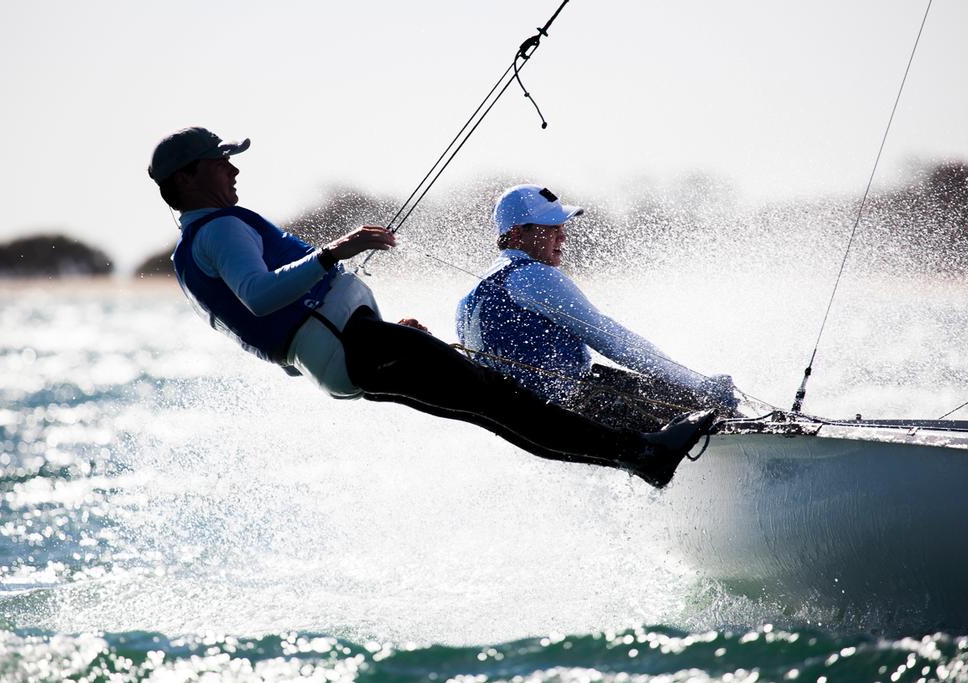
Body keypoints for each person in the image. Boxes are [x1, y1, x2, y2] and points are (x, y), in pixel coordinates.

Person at [148, 127, 715, 487]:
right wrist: (340, 249)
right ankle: (642, 455)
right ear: (188, 176)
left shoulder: (196, 243)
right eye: (222, 162)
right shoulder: (218, 229)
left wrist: (386, 332)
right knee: (500, 401)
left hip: (356, 350)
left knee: (494, 406)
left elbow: (284, 319)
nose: (234, 169)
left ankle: (640, 456)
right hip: (357, 350)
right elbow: (262, 295)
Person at [456, 184, 737, 432]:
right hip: (575, 410)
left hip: (528, 425)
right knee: (709, 406)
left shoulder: (469, 299)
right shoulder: (531, 275)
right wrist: (697, 384)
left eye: (562, 227)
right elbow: (609, 338)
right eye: (552, 228)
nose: (562, 237)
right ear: (518, 235)